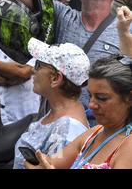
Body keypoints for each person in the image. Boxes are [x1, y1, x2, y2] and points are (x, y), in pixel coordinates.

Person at [25, 53, 131, 169]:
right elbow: (51, 162)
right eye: (90, 96)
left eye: (101, 98)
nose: (91, 105)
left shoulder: (128, 146)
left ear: (129, 99)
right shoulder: (94, 134)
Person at [13, 38, 90, 169]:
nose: (33, 71)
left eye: (38, 65)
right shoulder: (58, 112)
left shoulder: (66, 131)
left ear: (55, 79)